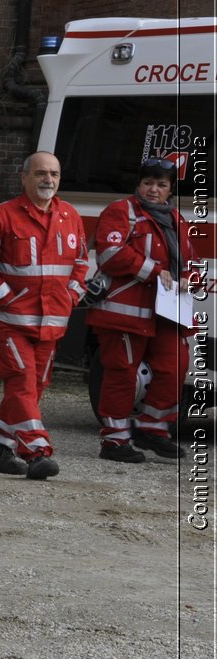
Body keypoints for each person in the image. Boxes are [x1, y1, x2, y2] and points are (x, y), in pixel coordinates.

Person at [0, 151, 88, 480]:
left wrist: (73, 295)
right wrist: (5, 299)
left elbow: (81, 264)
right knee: (21, 384)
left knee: (34, 388)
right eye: (40, 173)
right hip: (11, 322)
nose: (48, 179)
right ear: (24, 178)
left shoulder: (70, 216)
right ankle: (36, 451)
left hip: (52, 323)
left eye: (54, 174)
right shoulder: (2, 215)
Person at [88, 157, 198, 462]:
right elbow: (109, 253)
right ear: (138, 184)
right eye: (148, 182)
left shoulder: (176, 219)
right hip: (124, 312)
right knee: (122, 375)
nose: (153, 189)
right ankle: (114, 441)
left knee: (175, 367)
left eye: (161, 184)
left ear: (170, 189)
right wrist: (152, 269)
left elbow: (190, 261)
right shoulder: (120, 212)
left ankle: (152, 429)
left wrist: (191, 278)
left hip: (166, 314)